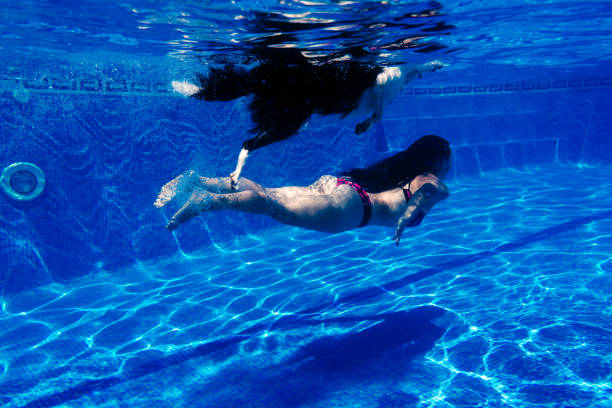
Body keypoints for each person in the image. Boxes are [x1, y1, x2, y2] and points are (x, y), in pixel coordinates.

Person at [172, 57, 446, 189]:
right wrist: (375, 118)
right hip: (322, 89)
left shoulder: (400, 75)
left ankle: (203, 93)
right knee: (269, 100)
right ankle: (202, 92)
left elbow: (400, 75)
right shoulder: (393, 77)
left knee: (265, 97)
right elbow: (386, 79)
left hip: (320, 90)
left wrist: (424, 68)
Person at [155, 135, 450, 245]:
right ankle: (205, 202)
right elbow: (425, 193)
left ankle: (200, 181)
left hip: (341, 188)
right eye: (448, 161)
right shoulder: (432, 182)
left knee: (267, 193)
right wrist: (402, 221)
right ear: (438, 161)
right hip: (348, 211)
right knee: (270, 206)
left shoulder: (405, 173)